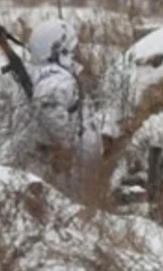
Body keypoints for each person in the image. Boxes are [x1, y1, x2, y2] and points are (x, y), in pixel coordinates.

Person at [12, 18, 103, 200]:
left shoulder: (40, 74)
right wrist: (64, 147)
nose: (76, 53)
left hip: (50, 171)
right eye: (72, 49)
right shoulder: (57, 78)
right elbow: (48, 105)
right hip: (60, 175)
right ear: (60, 51)